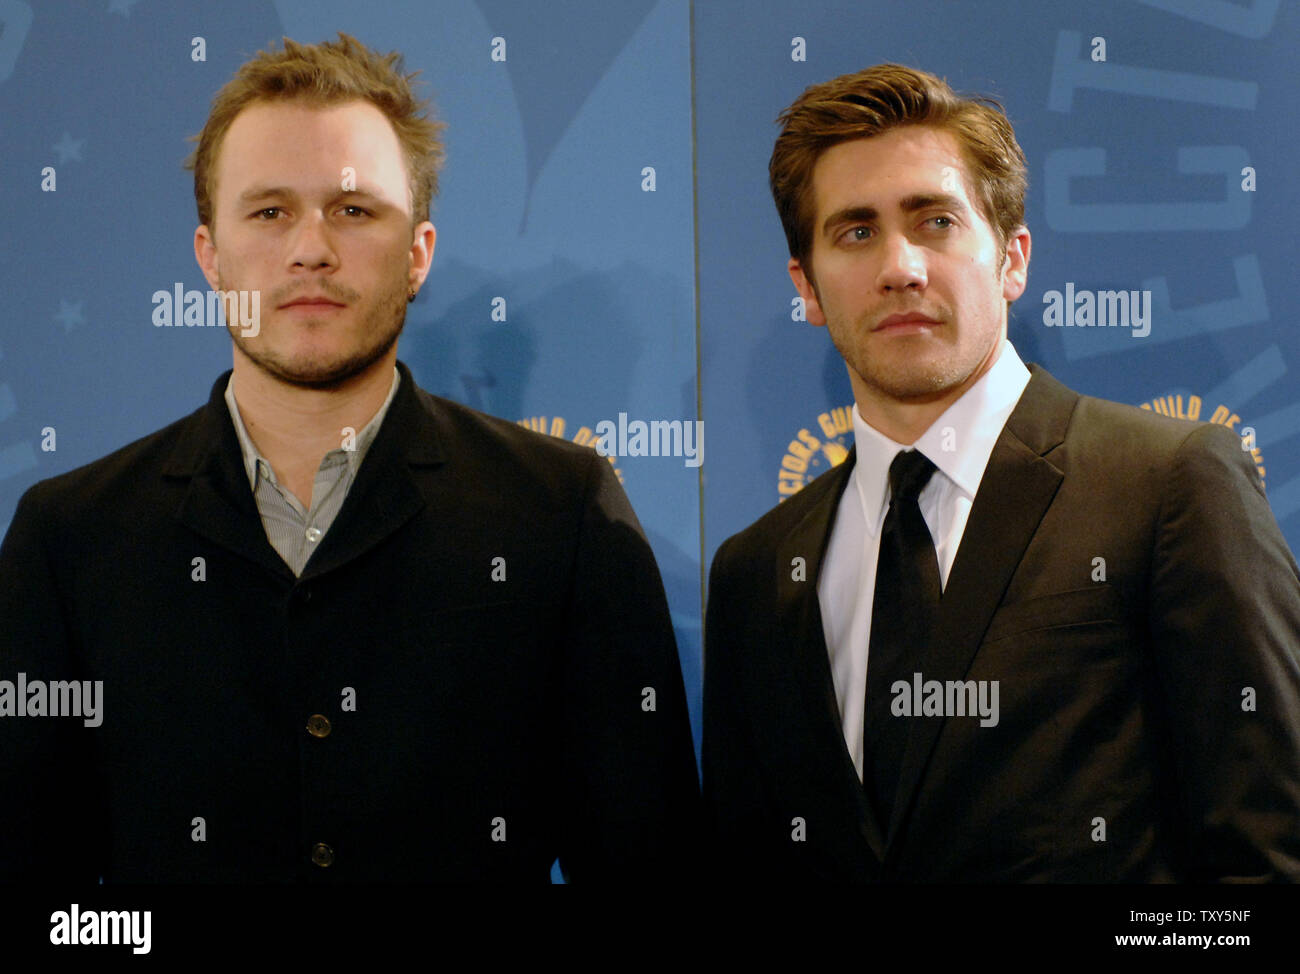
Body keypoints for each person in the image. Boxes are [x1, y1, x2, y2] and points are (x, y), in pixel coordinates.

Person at [0, 32, 699, 882]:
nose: (310, 250)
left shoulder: (561, 513)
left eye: (353, 210)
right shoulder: (71, 537)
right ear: (208, 258)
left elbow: (648, 864)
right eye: (268, 212)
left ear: (418, 255)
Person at [702, 63, 1300, 881]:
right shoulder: (758, 571)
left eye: (936, 221)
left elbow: (1268, 859)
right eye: (855, 232)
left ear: (1012, 258)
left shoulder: (1168, 485)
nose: (901, 266)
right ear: (805, 287)